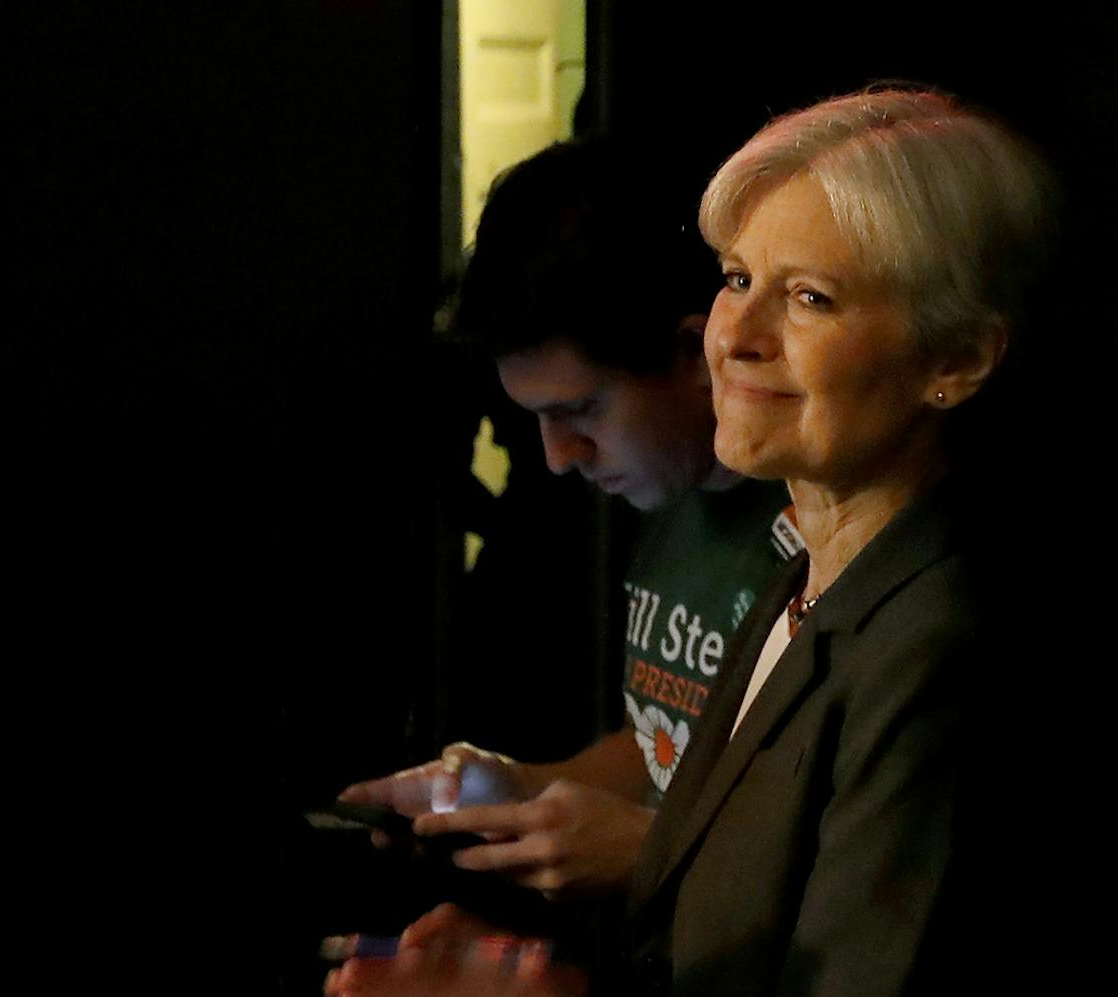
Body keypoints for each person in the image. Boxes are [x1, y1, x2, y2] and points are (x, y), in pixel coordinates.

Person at [323, 88, 1061, 997]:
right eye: (734, 280)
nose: (737, 334)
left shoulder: (941, 644)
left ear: (958, 358)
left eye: (812, 298)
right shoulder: (805, 577)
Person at [343, 136, 800, 897]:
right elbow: (661, 747)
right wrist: (513, 788)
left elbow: (844, 848)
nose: (558, 457)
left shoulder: (820, 535)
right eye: (538, 418)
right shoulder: (671, 496)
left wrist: (651, 852)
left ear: (698, 353)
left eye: (581, 409)